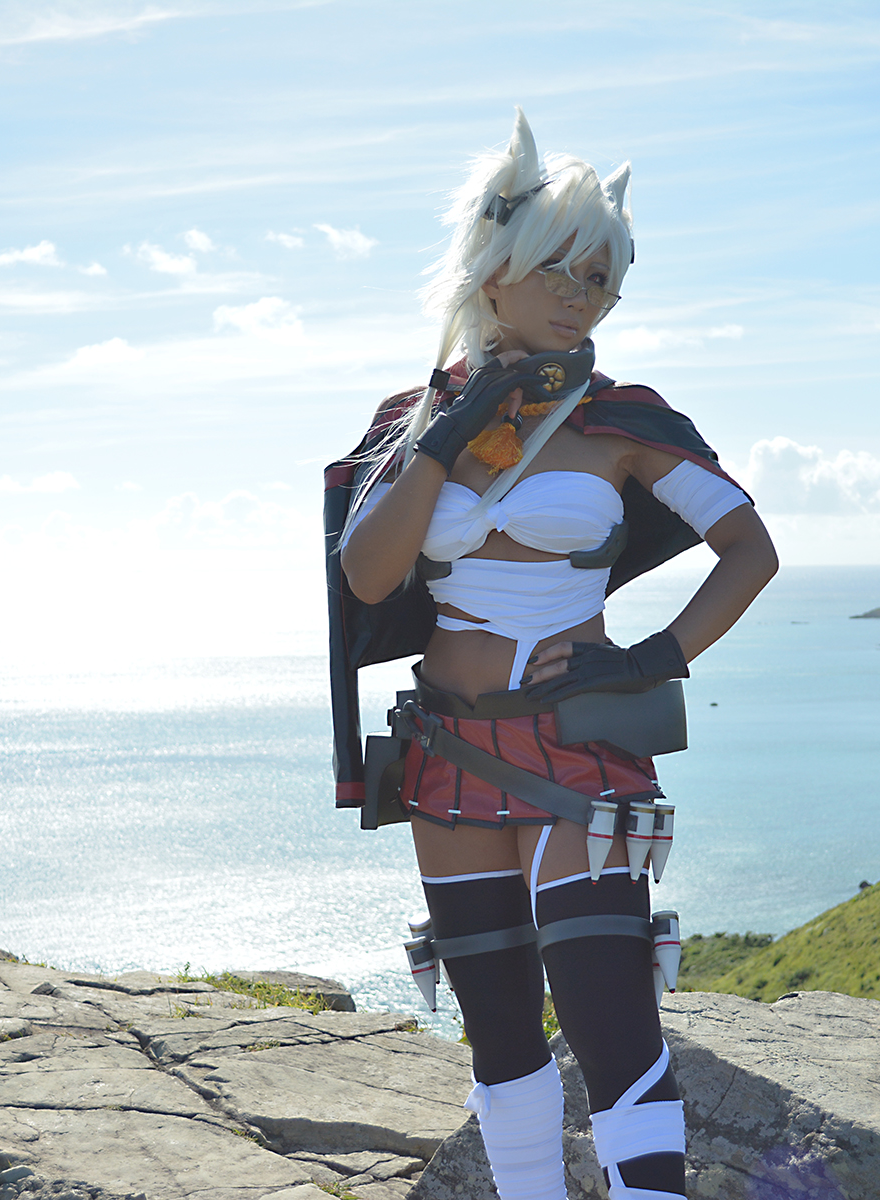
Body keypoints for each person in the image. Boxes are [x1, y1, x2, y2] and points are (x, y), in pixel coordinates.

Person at [328, 109, 776, 1200]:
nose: (581, 295)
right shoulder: (414, 422)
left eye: (601, 279)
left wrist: (655, 656)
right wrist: (443, 439)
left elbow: (750, 550)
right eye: (560, 269)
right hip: (447, 753)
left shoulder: (622, 420)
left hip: (580, 747)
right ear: (496, 270)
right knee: (498, 1033)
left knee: (609, 1019)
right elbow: (369, 578)